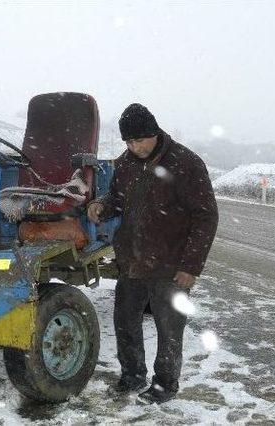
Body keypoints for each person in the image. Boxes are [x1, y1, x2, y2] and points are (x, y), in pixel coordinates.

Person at [87, 103, 218, 404]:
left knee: (169, 328)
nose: (134, 146)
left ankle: (165, 384)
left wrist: (191, 266)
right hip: (133, 261)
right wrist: (102, 207)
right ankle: (132, 376)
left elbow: (206, 216)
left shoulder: (185, 163)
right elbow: (118, 199)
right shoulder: (125, 163)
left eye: (139, 140)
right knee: (125, 322)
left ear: (154, 132)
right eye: (129, 142)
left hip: (171, 264)